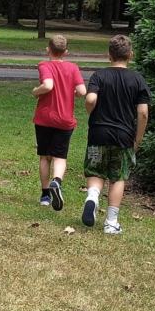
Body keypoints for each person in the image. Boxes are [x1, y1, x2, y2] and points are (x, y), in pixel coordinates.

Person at [81, 34, 150, 234]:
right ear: (130, 55)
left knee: (95, 170)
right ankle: (111, 222)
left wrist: (90, 111)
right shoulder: (137, 79)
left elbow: (91, 98)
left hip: (98, 134)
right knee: (118, 177)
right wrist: (137, 139)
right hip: (123, 136)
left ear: (108, 55)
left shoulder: (99, 75)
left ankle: (92, 197)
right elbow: (143, 112)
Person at [31, 34, 87, 210]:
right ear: (66, 52)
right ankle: (57, 181)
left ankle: (45, 194)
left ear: (48, 49)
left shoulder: (44, 65)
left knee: (45, 156)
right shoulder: (73, 67)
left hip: (45, 118)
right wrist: (74, 93)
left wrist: (36, 91)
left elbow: (48, 85)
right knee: (60, 156)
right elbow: (83, 91)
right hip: (65, 119)